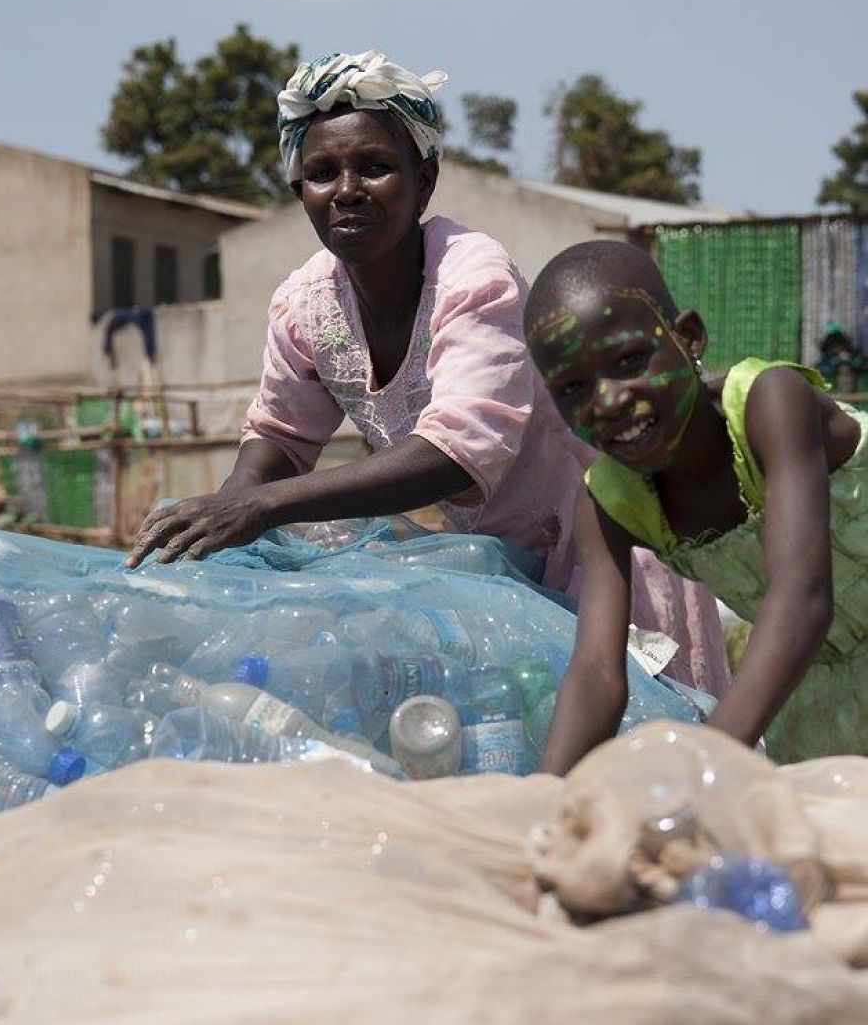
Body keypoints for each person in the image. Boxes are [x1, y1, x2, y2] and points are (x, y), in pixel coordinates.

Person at [125, 51, 726, 696]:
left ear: (425, 179)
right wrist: (221, 526)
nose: (348, 190)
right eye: (322, 173)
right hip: (492, 569)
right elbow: (278, 440)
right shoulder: (305, 305)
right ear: (299, 192)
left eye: (376, 167)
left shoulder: (473, 279)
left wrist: (260, 506)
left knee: (646, 731)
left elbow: (457, 453)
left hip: (600, 541)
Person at [525, 239, 868, 771]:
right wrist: (544, 796)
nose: (608, 400)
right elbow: (596, 671)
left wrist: (706, 764)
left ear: (687, 337)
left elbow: (802, 593)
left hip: (804, 632)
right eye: (572, 388)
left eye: (629, 360)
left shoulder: (771, 404)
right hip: (825, 691)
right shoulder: (608, 503)